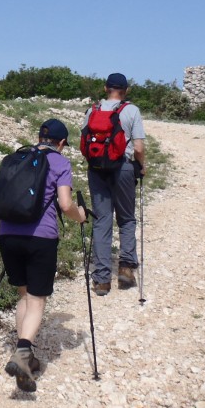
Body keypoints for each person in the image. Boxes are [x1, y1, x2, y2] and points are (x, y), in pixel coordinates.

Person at [0, 119, 87, 392]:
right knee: (37, 300)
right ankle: (23, 352)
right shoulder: (60, 163)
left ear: (38, 137)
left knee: (24, 295)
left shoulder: (18, 156)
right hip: (41, 237)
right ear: (61, 143)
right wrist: (80, 216)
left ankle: (24, 353)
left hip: (7, 234)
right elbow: (65, 203)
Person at [85, 73, 146, 295]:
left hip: (97, 169)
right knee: (127, 218)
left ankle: (102, 279)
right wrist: (143, 166)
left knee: (102, 220)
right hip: (123, 168)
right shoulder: (131, 110)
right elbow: (138, 148)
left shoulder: (93, 110)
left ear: (105, 88)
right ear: (126, 90)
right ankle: (126, 269)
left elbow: (85, 143)